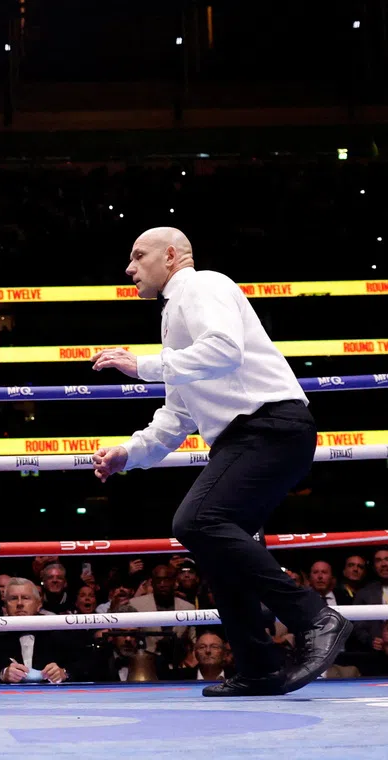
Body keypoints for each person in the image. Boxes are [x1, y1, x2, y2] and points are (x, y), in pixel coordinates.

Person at [90, 226, 351, 697]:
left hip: (268, 426)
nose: (129, 268)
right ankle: (258, 668)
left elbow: (225, 349)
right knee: (218, 546)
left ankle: (314, 617)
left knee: (197, 521)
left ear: (171, 256)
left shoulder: (202, 285)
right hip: (251, 436)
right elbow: (177, 414)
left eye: (139, 256)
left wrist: (141, 365)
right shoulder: (174, 317)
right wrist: (128, 453)